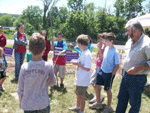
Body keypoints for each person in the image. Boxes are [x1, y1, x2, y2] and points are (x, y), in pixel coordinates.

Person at [116, 20, 150, 113]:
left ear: (134, 30)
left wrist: (138, 68)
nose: (127, 33)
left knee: (134, 104)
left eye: (128, 30)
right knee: (121, 99)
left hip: (138, 78)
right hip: (126, 76)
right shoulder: (129, 41)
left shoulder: (147, 43)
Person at [17, 33, 56, 113]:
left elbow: (20, 89)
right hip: (43, 104)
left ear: (29, 49)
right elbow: (52, 83)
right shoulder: (48, 65)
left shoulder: (24, 67)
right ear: (44, 49)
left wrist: (21, 101)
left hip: (28, 105)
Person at [89, 32, 120, 113]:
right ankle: (99, 103)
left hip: (109, 73)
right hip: (102, 71)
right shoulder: (106, 48)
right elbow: (102, 57)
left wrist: (111, 75)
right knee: (96, 85)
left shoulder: (116, 52)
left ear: (111, 41)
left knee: (108, 90)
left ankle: (109, 107)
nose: (104, 42)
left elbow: (117, 66)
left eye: (106, 40)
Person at [68, 34, 92, 113]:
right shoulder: (83, 52)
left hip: (83, 79)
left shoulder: (88, 54)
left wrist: (78, 64)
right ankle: (77, 107)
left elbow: (87, 68)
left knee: (82, 96)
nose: (77, 46)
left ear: (81, 44)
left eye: (78, 44)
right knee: (78, 94)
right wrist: (77, 61)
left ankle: (81, 111)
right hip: (80, 78)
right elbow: (82, 62)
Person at [89, 33, 106, 104]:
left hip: (101, 67)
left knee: (95, 82)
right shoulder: (102, 47)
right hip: (97, 66)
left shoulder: (106, 48)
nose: (100, 40)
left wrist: (99, 48)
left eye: (101, 39)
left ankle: (98, 96)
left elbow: (102, 57)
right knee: (93, 82)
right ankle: (98, 95)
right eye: (99, 39)